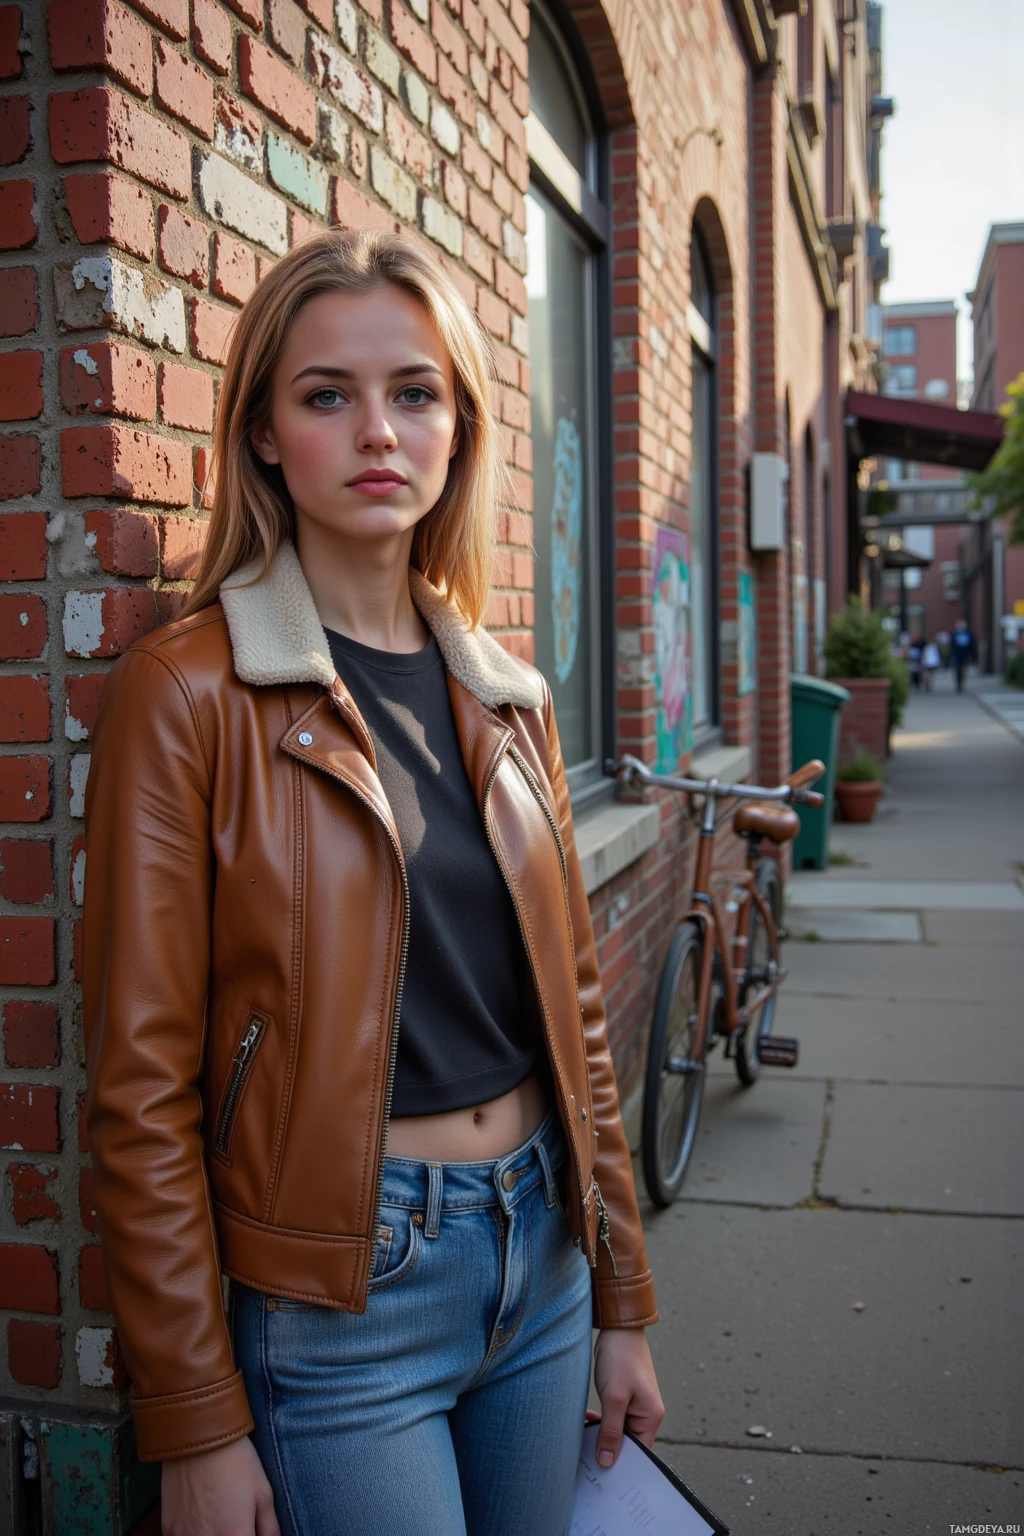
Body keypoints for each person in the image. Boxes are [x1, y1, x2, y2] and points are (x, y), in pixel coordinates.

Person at [83, 231, 662, 1536]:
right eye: (326, 394)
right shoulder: (188, 695)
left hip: (543, 1260)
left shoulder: (508, 697)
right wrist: (194, 1415)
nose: (378, 431)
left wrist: (623, 1300)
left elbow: (575, 1022)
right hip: (344, 1298)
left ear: (459, 427)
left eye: (414, 392)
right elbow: (138, 1087)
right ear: (265, 434)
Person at [951, 618, 974, 692]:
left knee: (964, 670)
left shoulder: (968, 634)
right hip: (957, 655)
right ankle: (958, 684)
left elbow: (972, 645)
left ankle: (962, 684)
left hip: (965, 655)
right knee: (957, 670)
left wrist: (972, 655)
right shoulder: (954, 634)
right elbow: (951, 645)